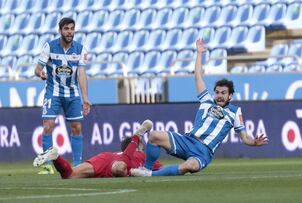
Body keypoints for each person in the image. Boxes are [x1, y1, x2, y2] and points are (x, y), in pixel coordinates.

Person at [131, 39, 269, 177]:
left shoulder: (235, 112)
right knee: (154, 135)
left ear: (230, 96)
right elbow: (197, 77)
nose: (219, 96)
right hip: (187, 140)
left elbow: (244, 137)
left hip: (204, 151)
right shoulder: (207, 100)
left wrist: (254, 143)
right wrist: (199, 54)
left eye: (223, 93)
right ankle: (145, 168)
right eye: (217, 92)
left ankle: (150, 175)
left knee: (188, 166)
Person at [34, 17, 90, 174]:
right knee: (47, 126)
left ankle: (77, 165)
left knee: (77, 127)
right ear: (60, 31)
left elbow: (82, 73)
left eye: (72, 28)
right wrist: (41, 73)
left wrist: (85, 98)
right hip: (53, 92)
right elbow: (37, 68)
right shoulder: (50, 47)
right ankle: (47, 165)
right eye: (66, 29)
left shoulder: (80, 49)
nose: (69, 32)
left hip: (72, 93)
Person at [33, 120, 162, 179]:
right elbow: (163, 170)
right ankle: (137, 135)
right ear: (140, 146)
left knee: (69, 175)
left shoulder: (119, 153)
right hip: (116, 164)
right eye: (143, 146)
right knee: (121, 170)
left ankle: (56, 157)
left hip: (104, 158)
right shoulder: (142, 155)